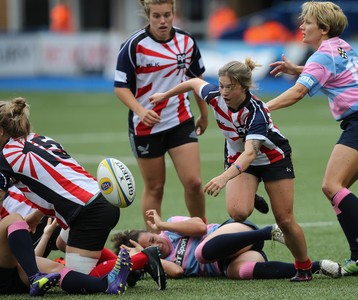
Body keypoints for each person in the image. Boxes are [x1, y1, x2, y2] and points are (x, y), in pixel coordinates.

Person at [149, 58, 314, 281]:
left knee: (284, 220)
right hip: (238, 158)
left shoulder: (257, 113)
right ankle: (250, 191)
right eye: (221, 86)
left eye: (230, 87)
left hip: (273, 159)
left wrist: (224, 178)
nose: (224, 92)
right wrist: (164, 96)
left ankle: (304, 267)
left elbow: (250, 154)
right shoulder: (215, 96)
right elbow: (193, 83)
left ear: (243, 87)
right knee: (238, 213)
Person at [267, 1, 358, 276]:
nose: (301, 26)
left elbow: (298, 93)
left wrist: (263, 108)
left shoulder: (322, 55)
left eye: (308, 22)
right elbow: (328, 69)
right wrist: (298, 68)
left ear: (323, 29)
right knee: (337, 190)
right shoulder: (341, 46)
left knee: (331, 185)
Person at [0, 97, 122, 276]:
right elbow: (59, 182)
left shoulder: (5, 158)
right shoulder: (39, 139)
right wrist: (36, 215)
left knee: (74, 278)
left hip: (88, 212)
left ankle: (139, 260)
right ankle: (127, 266)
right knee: (61, 243)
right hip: (101, 198)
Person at [113, 0, 207, 231]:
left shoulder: (186, 41)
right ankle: (154, 243)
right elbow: (120, 86)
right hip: (145, 126)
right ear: (148, 16)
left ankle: (201, 232)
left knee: (194, 183)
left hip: (180, 120)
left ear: (174, 13)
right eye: (157, 16)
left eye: (167, 15)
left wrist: (204, 115)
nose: (163, 21)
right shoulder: (134, 45)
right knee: (155, 187)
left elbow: (198, 82)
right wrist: (140, 110)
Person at [112, 209, 342, 280]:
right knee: (240, 272)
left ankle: (268, 232)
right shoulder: (163, 262)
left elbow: (200, 228)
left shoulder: (170, 227)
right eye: (151, 247)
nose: (158, 244)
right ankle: (316, 266)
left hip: (237, 234)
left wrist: (164, 225)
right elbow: (178, 271)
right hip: (229, 262)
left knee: (202, 252)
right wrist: (148, 256)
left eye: (153, 239)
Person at [0, 212, 132, 295]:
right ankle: (34, 277)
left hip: (10, 276)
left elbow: (31, 259)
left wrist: (46, 235)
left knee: (56, 269)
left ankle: (106, 286)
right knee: (14, 218)